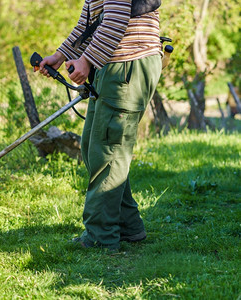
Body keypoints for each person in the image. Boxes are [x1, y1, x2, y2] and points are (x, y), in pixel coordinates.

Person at [35, 0, 163, 250]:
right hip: (111, 64)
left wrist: (87, 60)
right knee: (93, 146)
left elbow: (115, 20)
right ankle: (128, 227)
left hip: (127, 63)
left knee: (107, 150)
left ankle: (100, 237)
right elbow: (88, 23)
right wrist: (61, 56)